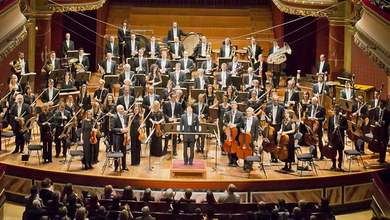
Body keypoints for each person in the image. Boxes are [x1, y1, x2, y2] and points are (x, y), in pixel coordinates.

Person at [264, 93, 285, 163]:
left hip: (277, 126)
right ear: (272, 101)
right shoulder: (268, 107)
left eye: (277, 101)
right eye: (274, 101)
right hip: (271, 126)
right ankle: (272, 157)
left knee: (276, 142)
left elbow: (283, 119)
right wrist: (268, 120)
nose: (276, 102)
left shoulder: (281, 108)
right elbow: (265, 117)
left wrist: (282, 128)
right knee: (270, 142)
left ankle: (276, 157)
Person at [328, 104, 348, 170]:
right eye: (335, 110)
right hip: (333, 138)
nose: (336, 112)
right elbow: (329, 128)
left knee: (340, 152)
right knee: (333, 152)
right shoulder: (331, 117)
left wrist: (340, 127)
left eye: (337, 110)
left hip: (340, 138)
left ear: (339, 110)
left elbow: (346, 127)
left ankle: (339, 166)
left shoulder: (343, 118)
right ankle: (333, 165)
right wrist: (329, 138)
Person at [223, 101, 243, 166]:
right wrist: (227, 124)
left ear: (236, 106)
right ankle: (230, 160)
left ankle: (235, 160)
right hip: (229, 132)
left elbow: (241, 123)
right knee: (229, 145)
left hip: (236, 133)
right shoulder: (228, 113)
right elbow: (225, 122)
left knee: (235, 146)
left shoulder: (240, 114)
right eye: (232, 105)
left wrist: (235, 125)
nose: (233, 107)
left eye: (234, 105)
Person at [110, 105, 129, 171]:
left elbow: (125, 124)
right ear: (117, 110)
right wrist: (121, 130)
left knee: (124, 151)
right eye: (121, 109)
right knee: (116, 151)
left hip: (124, 136)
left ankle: (124, 166)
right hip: (117, 137)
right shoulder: (114, 117)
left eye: (123, 108)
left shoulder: (124, 116)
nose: (123, 110)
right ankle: (116, 167)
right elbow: (112, 128)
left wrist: (126, 128)